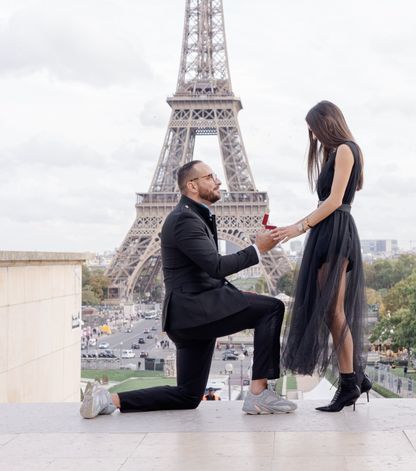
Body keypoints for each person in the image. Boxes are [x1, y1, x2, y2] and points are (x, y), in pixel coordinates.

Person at [80, 160, 296, 418]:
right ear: (192, 185)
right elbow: (216, 266)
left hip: (188, 317)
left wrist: (238, 295)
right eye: (211, 176)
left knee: (188, 395)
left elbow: (203, 272)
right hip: (196, 312)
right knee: (271, 308)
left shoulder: (191, 216)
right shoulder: (184, 219)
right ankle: (259, 394)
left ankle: (109, 399)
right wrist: (257, 249)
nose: (218, 181)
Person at [271, 101, 369, 413]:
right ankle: (356, 378)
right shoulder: (336, 151)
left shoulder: (344, 149)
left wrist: (297, 228)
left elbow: (334, 200)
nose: (310, 133)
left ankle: (349, 383)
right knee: (332, 311)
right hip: (330, 231)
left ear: (326, 122)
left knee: (333, 311)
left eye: (312, 126)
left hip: (334, 231)